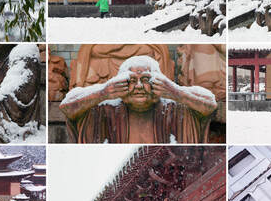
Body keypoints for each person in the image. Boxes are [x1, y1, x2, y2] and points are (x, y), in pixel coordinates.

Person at [60, 56, 217, 143]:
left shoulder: (173, 107)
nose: (139, 86)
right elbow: (66, 107)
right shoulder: (106, 107)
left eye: (146, 80)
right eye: (132, 81)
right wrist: (103, 93)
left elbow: (210, 104)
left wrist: (176, 92)